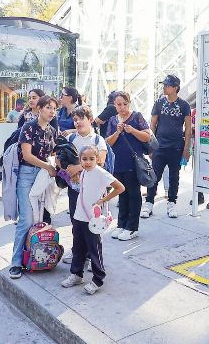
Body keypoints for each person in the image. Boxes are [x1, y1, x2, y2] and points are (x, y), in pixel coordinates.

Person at [60, 145, 125, 295]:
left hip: (93, 219)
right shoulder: (83, 173)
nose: (88, 162)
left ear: (97, 159)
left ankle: (98, 279)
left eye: (91, 159)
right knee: (78, 248)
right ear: (80, 160)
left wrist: (102, 200)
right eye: (84, 159)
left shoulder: (101, 173)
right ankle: (76, 274)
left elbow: (120, 187)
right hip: (79, 216)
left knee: (94, 250)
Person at [8, 95, 60, 279]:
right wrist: (47, 166)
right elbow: (27, 155)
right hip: (27, 174)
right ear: (39, 108)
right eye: (49, 107)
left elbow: (54, 153)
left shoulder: (52, 131)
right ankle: (15, 262)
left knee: (42, 219)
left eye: (54, 108)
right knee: (26, 220)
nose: (52, 111)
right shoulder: (28, 127)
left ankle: (36, 258)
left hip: (44, 178)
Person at [61, 105, 108, 265]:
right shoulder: (71, 139)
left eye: (81, 118)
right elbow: (61, 158)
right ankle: (77, 253)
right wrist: (64, 168)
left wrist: (77, 167)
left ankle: (92, 257)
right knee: (76, 222)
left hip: (93, 190)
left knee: (93, 223)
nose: (78, 122)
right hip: (74, 188)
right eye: (75, 119)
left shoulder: (97, 140)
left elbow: (100, 160)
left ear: (90, 120)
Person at [105, 91, 152, 241]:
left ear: (129, 103)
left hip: (133, 163)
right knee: (122, 194)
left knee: (133, 194)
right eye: (119, 104)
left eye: (125, 104)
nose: (122, 107)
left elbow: (147, 136)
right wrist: (117, 133)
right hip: (117, 163)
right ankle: (121, 225)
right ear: (114, 105)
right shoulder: (113, 120)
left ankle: (132, 227)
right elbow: (107, 143)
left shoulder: (136, 116)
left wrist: (132, 130)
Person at [142, 75, 191, 219]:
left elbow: (188, 129)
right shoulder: (158, 103)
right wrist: (150, 146)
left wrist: (186, 149)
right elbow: (152, 125)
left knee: (174, 177)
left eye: (167, 85)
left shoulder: (184, 105)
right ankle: (149, 203)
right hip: (159, 146)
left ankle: (171, 203)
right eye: (164, 85)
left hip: (176, 147)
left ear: (175, 87)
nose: (164, 87)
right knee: (154, 175)